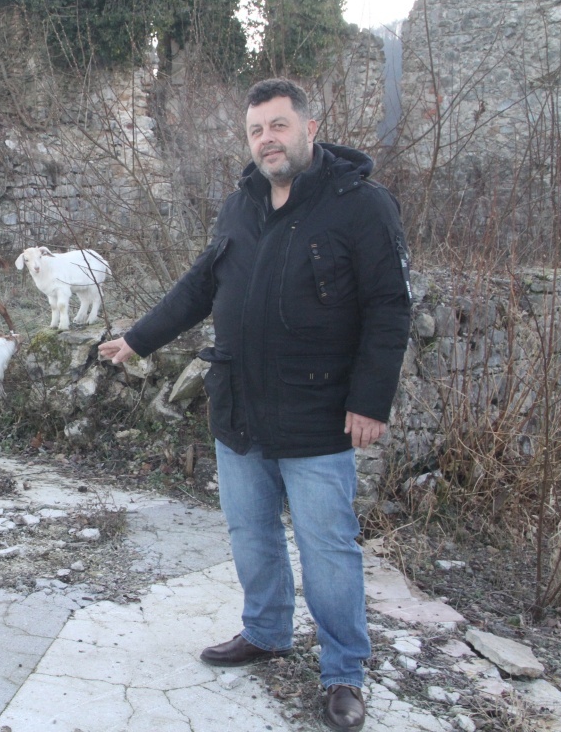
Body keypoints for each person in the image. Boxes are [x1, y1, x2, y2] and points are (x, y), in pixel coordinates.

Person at [99, 78, 411, 731]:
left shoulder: (361, 206)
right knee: (251, 533)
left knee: (328, 547)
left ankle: (344, 671)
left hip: (320, 410)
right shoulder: (240, 206)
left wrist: (370, 398)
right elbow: (200, 285)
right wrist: (137, 338)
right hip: (240, 406)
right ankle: (266, 631)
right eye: (256, 131)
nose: (267, 139)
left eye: (278, 125)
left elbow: (388, 307)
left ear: (309, 126)